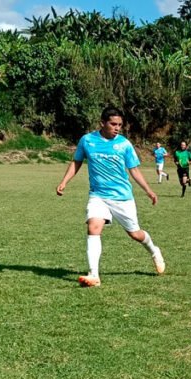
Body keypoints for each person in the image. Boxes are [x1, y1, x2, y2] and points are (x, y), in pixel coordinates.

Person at [56, 107, 165, 287]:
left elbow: (134, 170)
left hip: (122, 197)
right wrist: (64, 182)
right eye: (113, 124)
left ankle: (154, 251)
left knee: (135, 234)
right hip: (98, 195)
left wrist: (148, 190)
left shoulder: (124, 144)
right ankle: (94, 275)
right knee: (93, 227)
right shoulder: (87, 140)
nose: (117, 128)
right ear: (102, 123)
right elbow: (77, 162)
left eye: (120, 125)